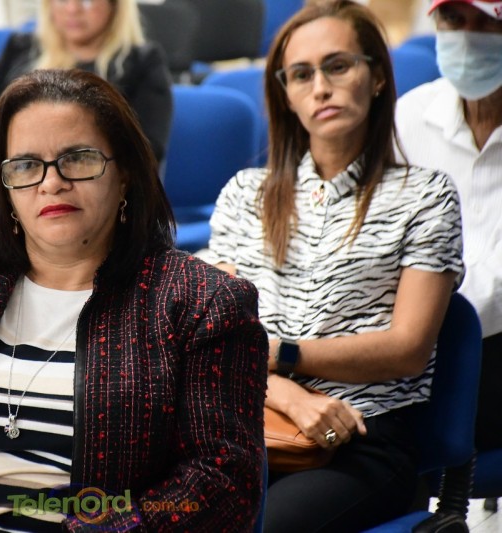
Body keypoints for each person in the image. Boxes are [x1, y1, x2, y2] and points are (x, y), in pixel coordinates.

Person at [0, 69, 267, 532]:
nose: (51, 183)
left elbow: (224, 483)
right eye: (25, 165)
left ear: (125, 174)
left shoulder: (201, 302)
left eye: (78, 159)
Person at [195, 1, 464, 531]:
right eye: (301, 75)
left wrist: (280, 354)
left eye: (338, 66)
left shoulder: (426, 196)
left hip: (361, 441)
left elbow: (407, 349)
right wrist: (287, 392)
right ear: (286, 95)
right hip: (246, 422)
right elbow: (213, 340)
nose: (320, 87)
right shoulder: (245, 194)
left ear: (377, 76)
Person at [395, 0, 502, 455]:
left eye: (489, 23)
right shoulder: (409, 117)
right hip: (412, 344)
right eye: (454, 19)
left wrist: (417, 319)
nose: (468, 37)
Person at [0, 0, 173, 163]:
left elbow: (149, 149)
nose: (72, 9)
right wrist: (9, 147)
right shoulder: (21, 47)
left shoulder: (143, 62)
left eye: (87, 0)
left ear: (114, 5)